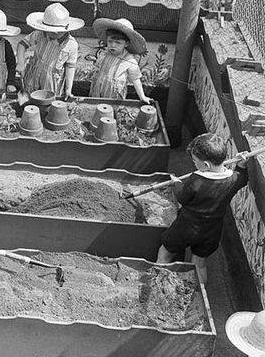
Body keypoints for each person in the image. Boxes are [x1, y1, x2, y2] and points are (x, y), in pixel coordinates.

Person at [156, 133, 249, 283]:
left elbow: (182, 198)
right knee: (199, 264)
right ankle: (201, 293)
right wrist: (242, 165)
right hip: (211, 231)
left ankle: (158, 280)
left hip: (186, 227)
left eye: (194, 161)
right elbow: (242, 178)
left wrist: (176, 183)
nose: (194, 164)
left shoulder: (196, 180)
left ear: (205, 165)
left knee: (165, 252)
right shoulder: (233, 179)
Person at [16, 3, 84, 100]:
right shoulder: (39, 34)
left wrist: (69, 89)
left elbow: (70, 66)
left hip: (52, 82)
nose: (53, 33)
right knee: (29, 103)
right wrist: (21, 63)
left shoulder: (71, 45)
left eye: (57, 32)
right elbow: (22, 45)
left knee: (49, 105)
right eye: (50, 30)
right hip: (33, 76)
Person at [90, 17, 152, 103]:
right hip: (99, 89)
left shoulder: (129, 60)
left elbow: (136, 79)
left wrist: (142, 96)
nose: (113, 45)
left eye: (118, 43)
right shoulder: (105, 53)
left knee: (111, 112)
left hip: (114, 95)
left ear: (126, 44)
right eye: (110, 41)